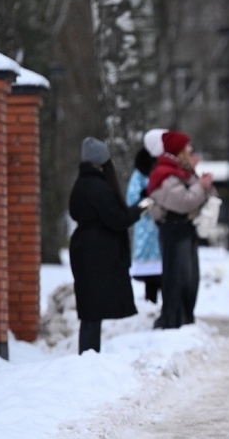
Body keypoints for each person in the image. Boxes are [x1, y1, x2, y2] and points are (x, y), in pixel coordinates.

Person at [68, 137, 145, 354]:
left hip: (84, 249)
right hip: (98, 253)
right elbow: (118, 219)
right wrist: (138, 209)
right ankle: (89, 356)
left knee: (89, 310)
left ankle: (88, 355)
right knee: (93, 312)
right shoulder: (99, 187)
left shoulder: (80, 184)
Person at [147, 131, 213, 329]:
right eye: (187, 147)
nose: (191, 150)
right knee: (178, 277)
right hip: (174, 232)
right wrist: (201, 186)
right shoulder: (164, 173)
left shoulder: (182, 172)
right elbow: (183, 202)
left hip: (185, 230)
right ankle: (174, 319)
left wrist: (200, 182)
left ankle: (185, 317)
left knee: (190, 278)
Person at [125, 129, 166, 303]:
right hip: (148, 231)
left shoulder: (166, 166)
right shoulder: (141, 172)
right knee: (152, 278)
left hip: (164, 228)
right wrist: (151, 201)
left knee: (167, 276)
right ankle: (151, 307)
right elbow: (132, 200)